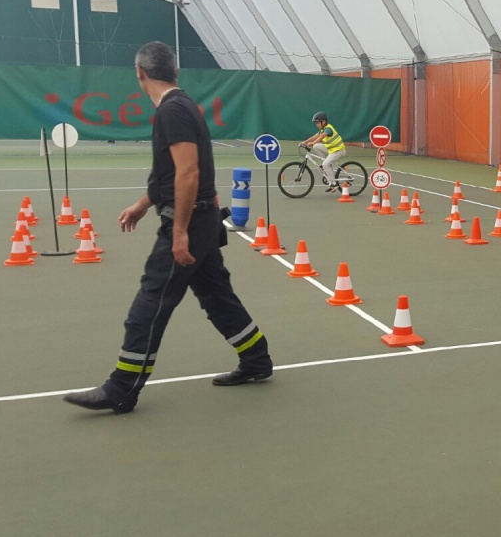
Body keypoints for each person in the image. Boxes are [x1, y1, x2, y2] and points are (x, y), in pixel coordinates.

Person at [63, 42, 273, 414]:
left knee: (151, 300)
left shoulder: (172, 111)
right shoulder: (182, 106)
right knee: (215, 294)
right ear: (174, 72)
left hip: (191, 220)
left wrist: (179, 231)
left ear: (140, 73)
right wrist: (144, 204)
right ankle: (256, 358)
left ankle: (122, 388)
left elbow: (188, 172)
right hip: (202, 217)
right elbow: (175, 171)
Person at [301, 111, 347, 192]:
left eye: (318, 123)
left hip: (338, 150)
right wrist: (304, 142)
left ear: (324, 122)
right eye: (316, 123)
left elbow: (322, 137)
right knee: (316, 146)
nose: (317, 125)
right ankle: (327, 163)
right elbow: (314, 136)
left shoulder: (328, 129)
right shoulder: (322, 130)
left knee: (325, 164)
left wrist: (313, 142)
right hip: (331, 150)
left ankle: (333, 185)